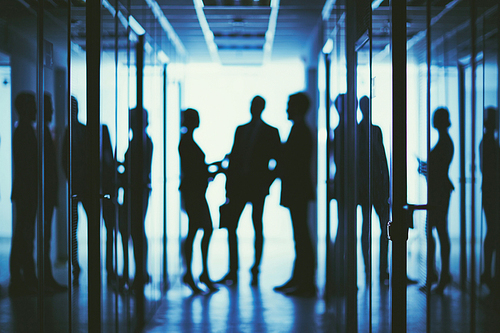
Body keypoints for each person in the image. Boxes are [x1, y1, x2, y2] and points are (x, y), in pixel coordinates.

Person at [217, 95, 281, 286]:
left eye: (255, 106)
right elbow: (235, 157)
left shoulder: (271, 132)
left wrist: (266, 183)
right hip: (239, 185)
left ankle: (254, 267)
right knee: (233, 226)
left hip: (256, 186)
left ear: (260, 108)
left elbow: (277, 161)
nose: (253, 109)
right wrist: (229, 186)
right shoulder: (241, 130)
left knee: (256, 225)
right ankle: (234, 269)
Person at [62, 96, 118, 286]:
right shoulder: (73, 132)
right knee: (78, 229)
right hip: (80, 189)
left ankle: (93, 267)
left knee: (91, 227)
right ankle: (78, 266)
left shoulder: (82, 132)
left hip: (86, 189)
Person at [273, 92, 316, 297]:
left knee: (301, 236)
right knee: (300, 236)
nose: (286, 109)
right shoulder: (300, 129)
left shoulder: (300, 130)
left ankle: (305, 281)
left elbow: (292, 162)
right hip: (298, 190)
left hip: (297, 190)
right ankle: (300, 278)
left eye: (289, 105)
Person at [179, 108, 218, 294]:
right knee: (200, 230)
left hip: (194, 192)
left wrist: (210, 170)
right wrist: (211, 171)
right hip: (194, 193)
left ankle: (196, 273)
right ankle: (197, 273)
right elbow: (194, 170)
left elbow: (194, 169)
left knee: (197, 230)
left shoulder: (186, 141)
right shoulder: (187, 142)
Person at [418, 107, 454, 294]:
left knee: (439, 232)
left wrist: (426, 168)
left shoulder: (445, 143)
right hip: (439, 192)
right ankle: (437, 274)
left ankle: (440, 276)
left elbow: (438, 171)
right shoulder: (445, 142)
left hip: (439, 193)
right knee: (436, 232)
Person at [357, 96, 390, 283]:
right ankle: (373, 270)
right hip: (370, 186)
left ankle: (375, 269)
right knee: (370, 228)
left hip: (374, 186)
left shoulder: (372, 130)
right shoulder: (366, 130)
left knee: (373, 228)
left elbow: (382, 159)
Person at [119, 107, 153, 290]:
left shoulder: (140, 142)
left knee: (136, 231)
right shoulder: (142, 140)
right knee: (137, 231)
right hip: (138, 190)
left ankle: (139, 273)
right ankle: (140, 272)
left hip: (136, 191)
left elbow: (137, 170)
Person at [9, 91, 38, 296]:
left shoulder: (24, 130)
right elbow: (27, 168)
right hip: (26, 193)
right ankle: (20, 278)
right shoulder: (24, 131)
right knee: (23, 236)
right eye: (33, 106)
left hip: (26, 192)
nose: (36, 110)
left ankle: (23, 277)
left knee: (24, 235)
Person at [43, 92, 68, 292]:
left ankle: (44, 277)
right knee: (42, 237)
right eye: (49, 107)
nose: (52, 110)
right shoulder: (40, 133)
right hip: (44, 194)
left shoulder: (43, 132)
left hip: (47, 193)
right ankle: (44, 277)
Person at [479, 107, 500, 291]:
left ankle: (488, 271)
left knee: (492, 231)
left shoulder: (488, 141)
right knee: (493, 231)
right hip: (491, 192)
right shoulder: (488, 142)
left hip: (489, 192)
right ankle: (488, 271)